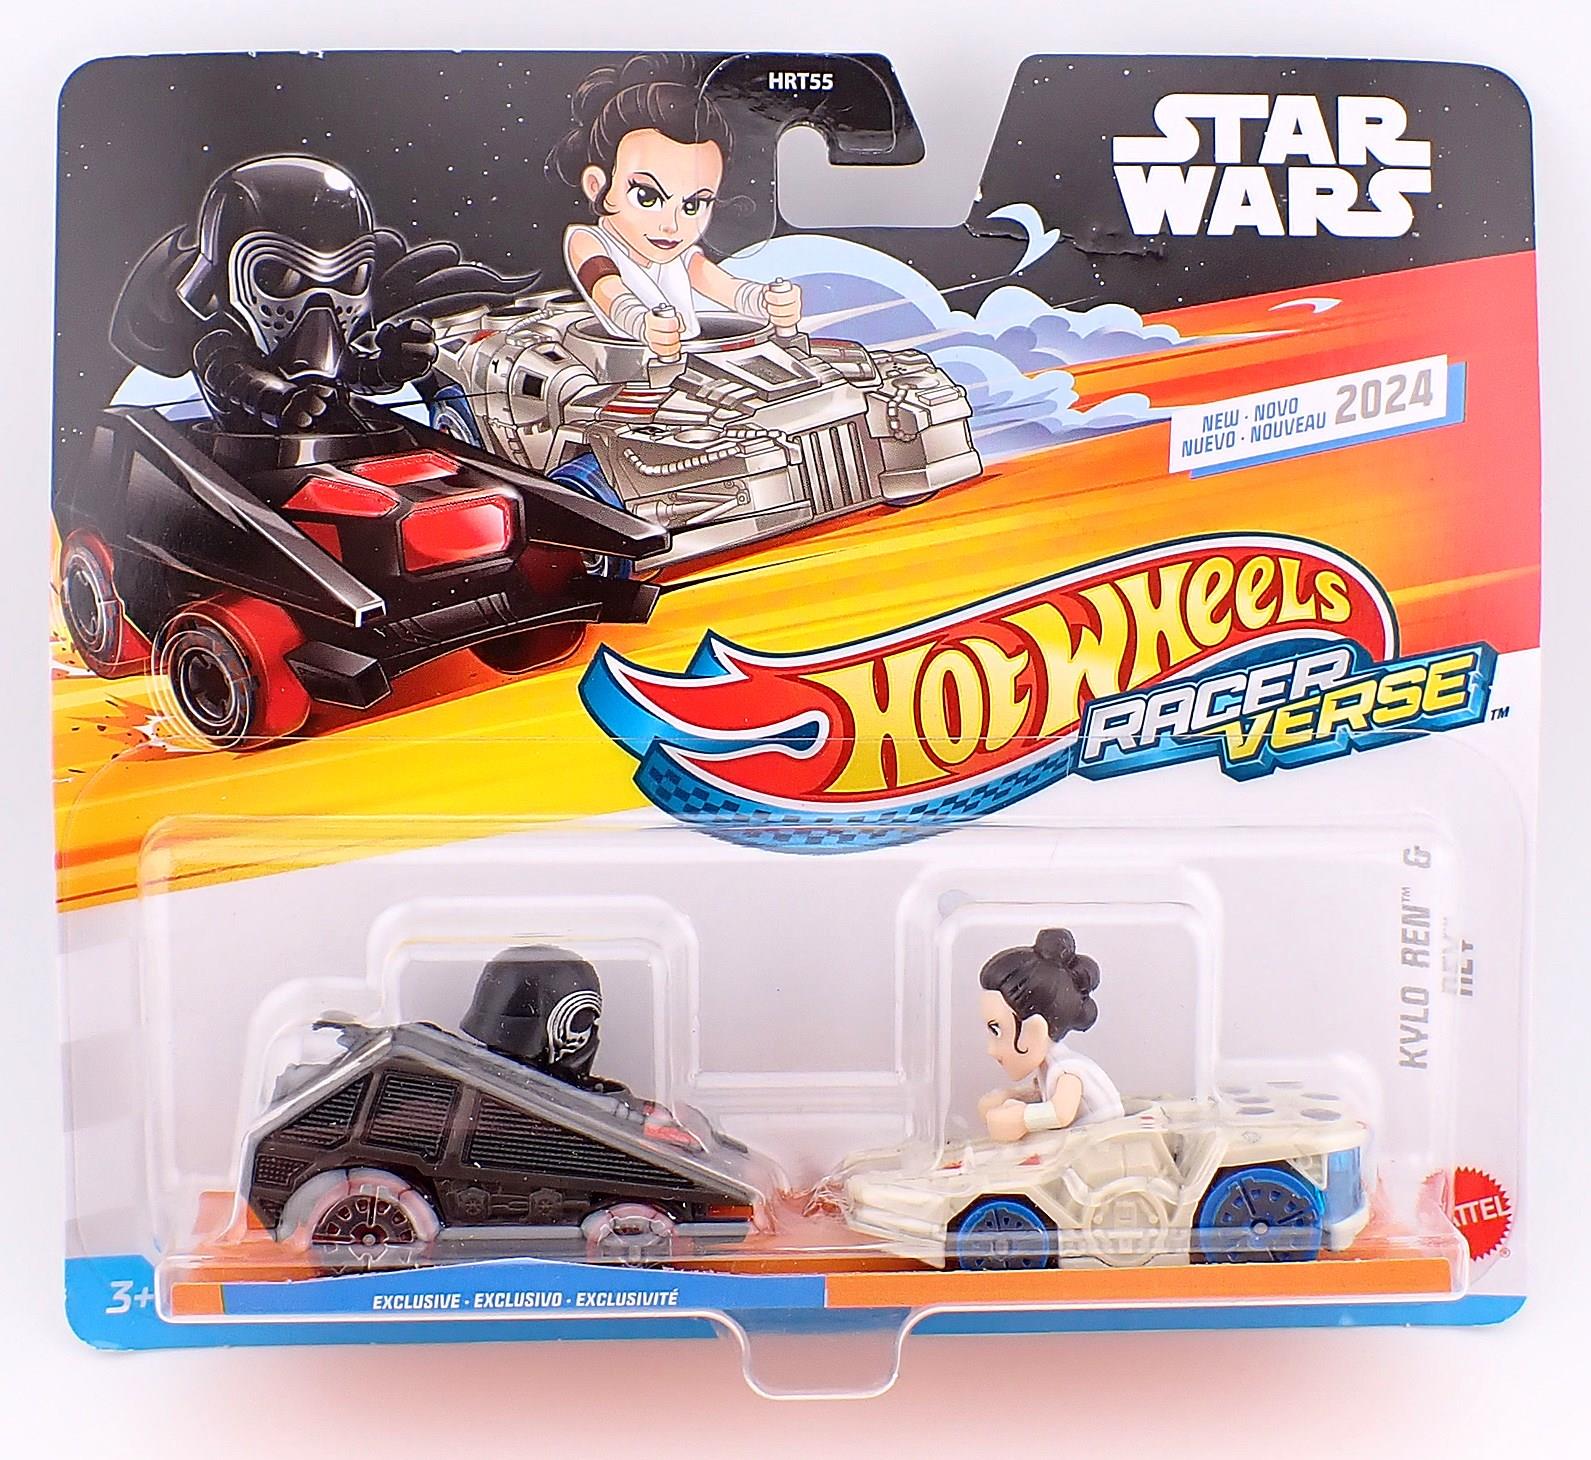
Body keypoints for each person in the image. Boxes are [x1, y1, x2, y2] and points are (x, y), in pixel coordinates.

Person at [549, 53, 801, 358]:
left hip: (691, 365)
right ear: (597, 186)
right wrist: (642, 323)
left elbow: (724, 286)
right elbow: (608, 290)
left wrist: (765, 300)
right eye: (647, 198)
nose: (672, 225)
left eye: (693, 206)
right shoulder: (587, 241)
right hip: (618, 367)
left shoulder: (680, 257)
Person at [976, 928, 1124, 1142]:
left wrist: (1021, 1119)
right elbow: (1042, 1096)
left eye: (997, 1031)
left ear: (1035, 1030)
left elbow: (1060, 1113)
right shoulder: (1048, 1068)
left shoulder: (1067, 1071)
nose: (991, 1050)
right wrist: (1012, 1096)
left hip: (1106, 1145)